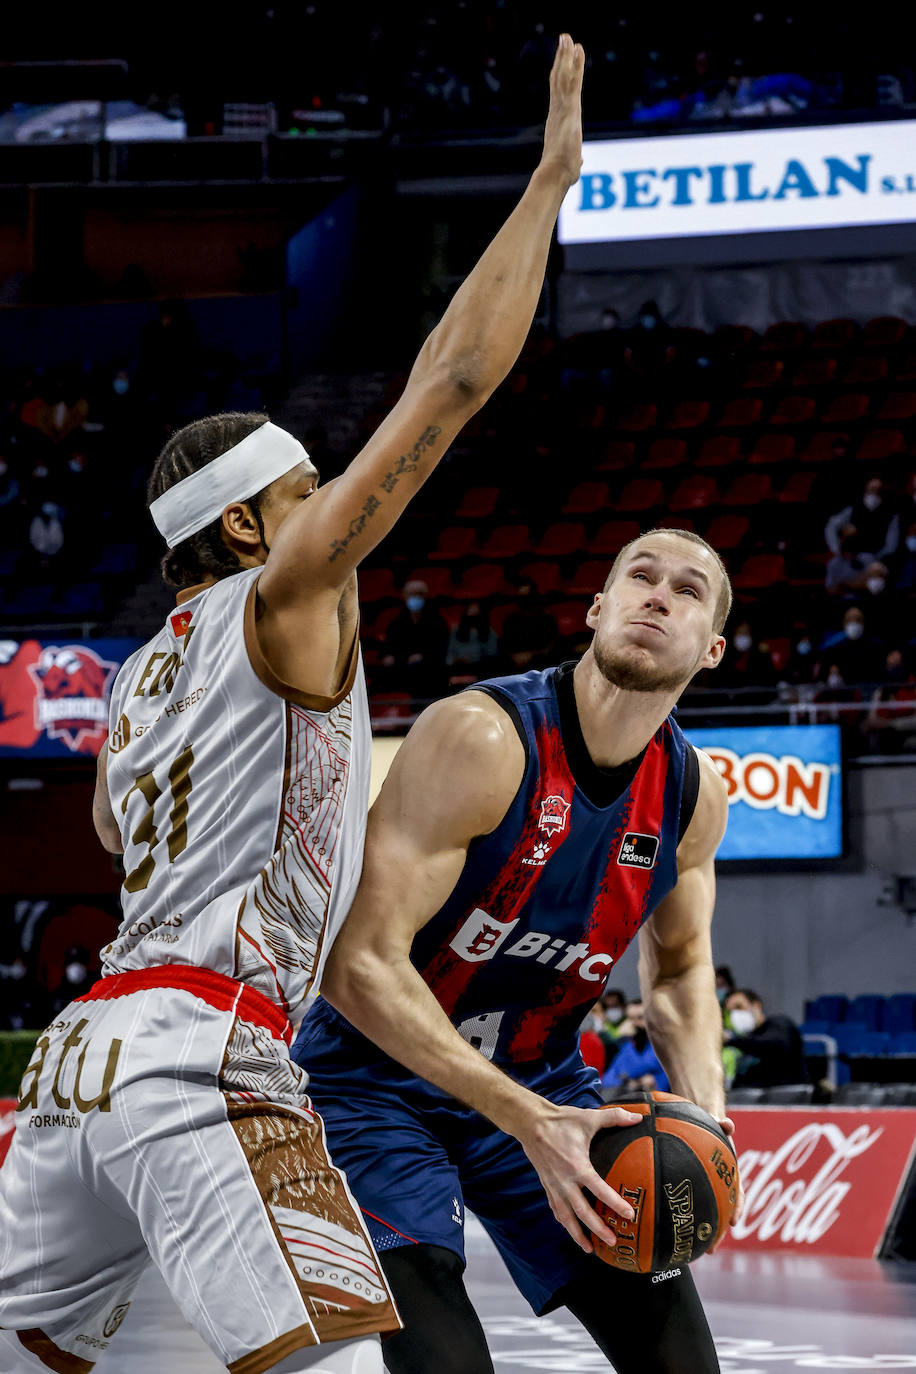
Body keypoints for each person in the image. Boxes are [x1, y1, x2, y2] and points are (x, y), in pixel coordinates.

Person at [0, 36, 589, 1374]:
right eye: (310, 483)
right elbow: (450, 382)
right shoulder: (287, 595)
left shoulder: (132, 675)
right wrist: (546, 181)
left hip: (79, 1058)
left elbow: (112, 832)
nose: (333, 500)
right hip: (208, 1052)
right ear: (257, 518)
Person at [294, 525, 740, 1374]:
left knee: (681, 1359)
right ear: (597, 607)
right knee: (448, 1360)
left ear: (711, 647)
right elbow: (355, 966)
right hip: (375, 1080)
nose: (659, 595)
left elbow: (680, 972)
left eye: (687, 591)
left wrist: (707, 1112)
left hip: (541, 1080)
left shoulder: (691, 794)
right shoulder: (482, 737)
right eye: (639, 577)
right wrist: (529, 1121)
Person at [724, 988, 808, 1089]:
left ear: (757, 1006)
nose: (735, 1014)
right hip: (752, 1097)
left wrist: (731, 1040)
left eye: (739, 1007)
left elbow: (774, 1044)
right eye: (730, 1011)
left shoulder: (780, 1024)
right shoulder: (744, 1038)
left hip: (786, 1095)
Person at [600, 998, 670, 1095]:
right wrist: (634, 1082)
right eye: (630, 1018)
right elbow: (608, 1080)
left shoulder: (666, 1047)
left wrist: (629, 1079)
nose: (634, 1023)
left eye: (640, 1018)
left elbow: (659, 1082)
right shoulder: (629, 1045)